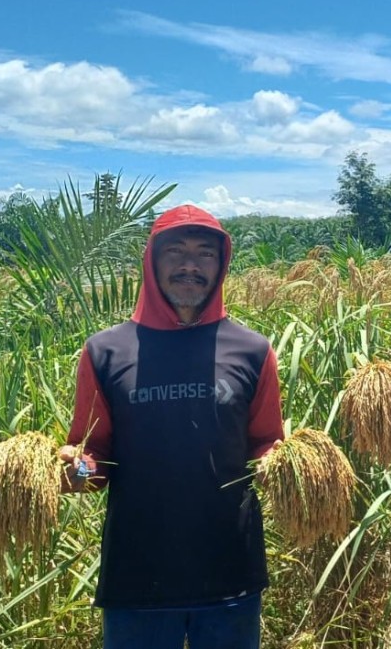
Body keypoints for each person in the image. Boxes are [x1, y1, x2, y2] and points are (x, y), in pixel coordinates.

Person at [58, 204, 284, 649]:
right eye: (175, 251)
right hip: (137, 580)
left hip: (230, 578)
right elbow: (94, 458)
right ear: (151, 260)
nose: (189, 265)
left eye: (205, 254)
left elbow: (265, 443)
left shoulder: (253, 350)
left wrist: (284, 463)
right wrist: (75, 472)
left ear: (221, 264)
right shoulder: (105, 352)